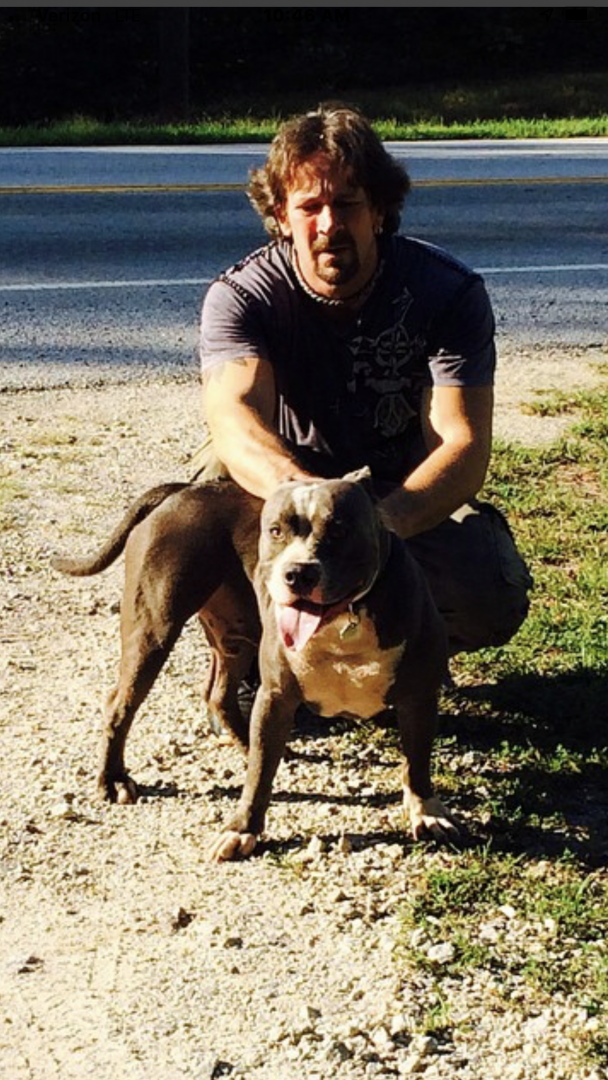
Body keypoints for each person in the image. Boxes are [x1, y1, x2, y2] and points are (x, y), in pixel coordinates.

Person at [192, 103, 532, 657]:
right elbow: (235, 421)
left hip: (398, 488)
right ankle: (257, 658)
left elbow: (463, 444)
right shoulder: (242, 297)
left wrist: (373, 527)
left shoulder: (447, 292)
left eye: (347, 204)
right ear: (281, 216)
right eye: (310, 206)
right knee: (195, 519)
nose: (329, 224)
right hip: (285, 486)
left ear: (378, 208)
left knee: (488, 593)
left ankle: (397, 657)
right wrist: (310, 511)